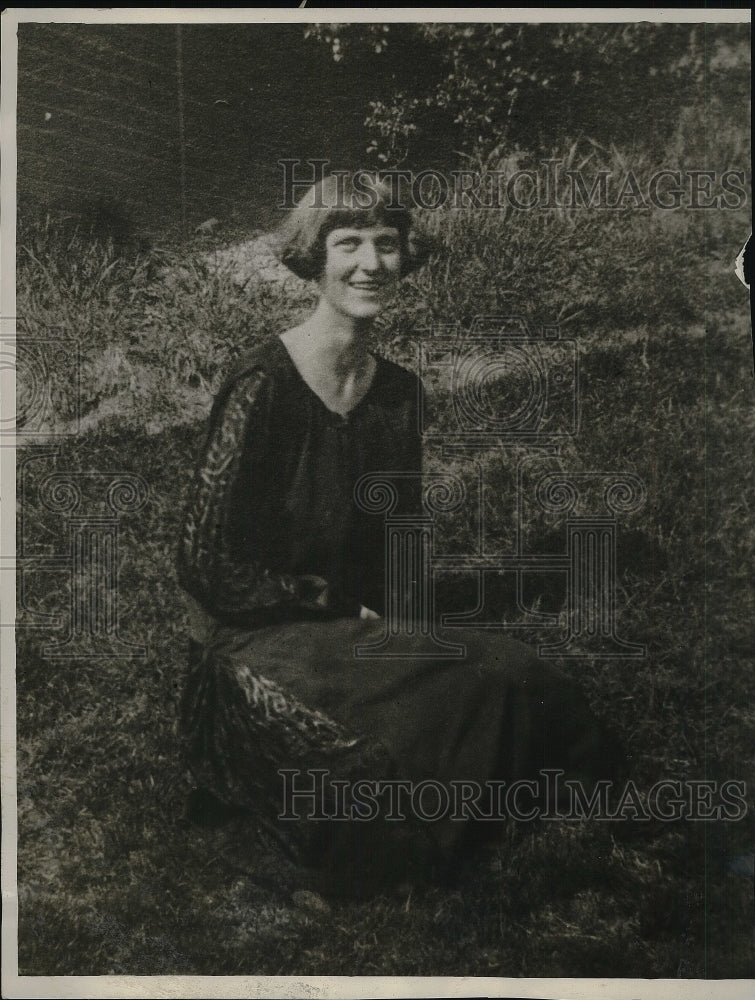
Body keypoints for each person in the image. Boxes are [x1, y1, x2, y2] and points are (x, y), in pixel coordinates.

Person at [176, 173, 623, 895]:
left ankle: (571, 804)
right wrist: (331, 605)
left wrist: (405, 636)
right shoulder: (262, 384)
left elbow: (394, 543)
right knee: (434, 718)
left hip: (349, 628)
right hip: (252, 637)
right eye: (348, 243)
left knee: (512, 673)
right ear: (314, 258)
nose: (370, 264)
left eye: (386, 244)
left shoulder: (399, 393)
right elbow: (202, 561)